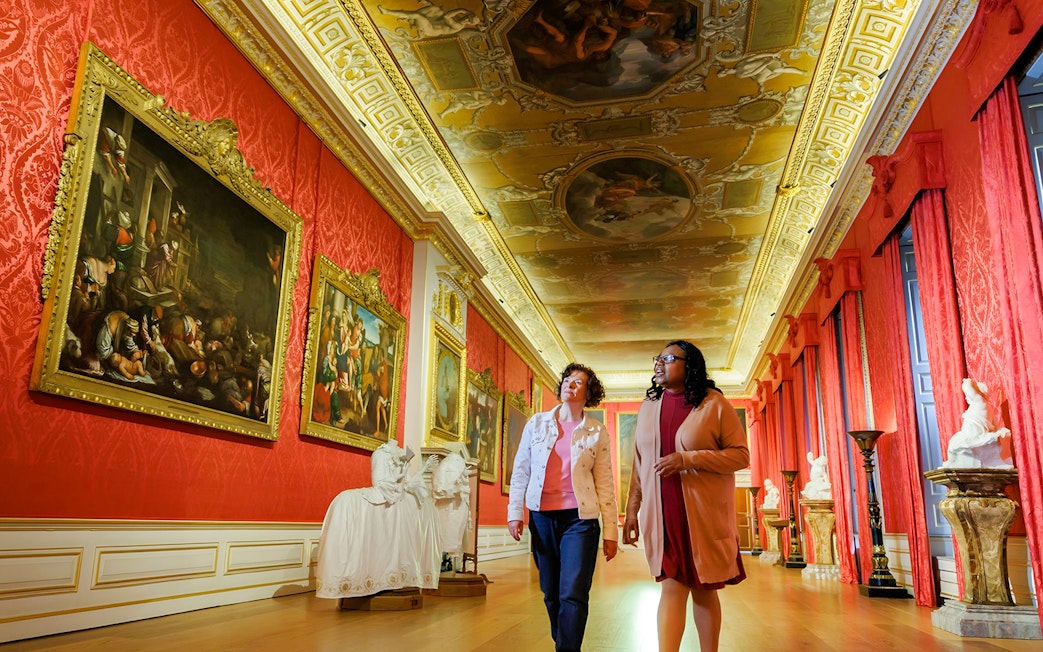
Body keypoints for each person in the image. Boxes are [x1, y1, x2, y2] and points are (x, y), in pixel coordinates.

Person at [623, 340, 749, 652]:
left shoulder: (713, 404)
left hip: (702, 516)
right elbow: (639, 465)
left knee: (704, 589)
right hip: (662, 514)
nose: (658, 364)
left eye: (668, 358)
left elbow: (740, 456)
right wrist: (631, 511)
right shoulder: (648, 407)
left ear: (689, 364)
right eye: (657, 358)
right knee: (670, 587)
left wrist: (688, 459)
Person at [507, 363, 619, 652]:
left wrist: (611, 532)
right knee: (551, 592)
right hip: (542, 517)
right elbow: (521, 470)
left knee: (573, 592)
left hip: (580, 520)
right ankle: (564, 639)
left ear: (589, 392)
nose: (570, 384)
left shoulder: (596, 431)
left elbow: (605, 482)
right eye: (567, 379)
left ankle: (567, 649)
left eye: (578, 381)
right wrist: (514, 512)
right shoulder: (537, 423)